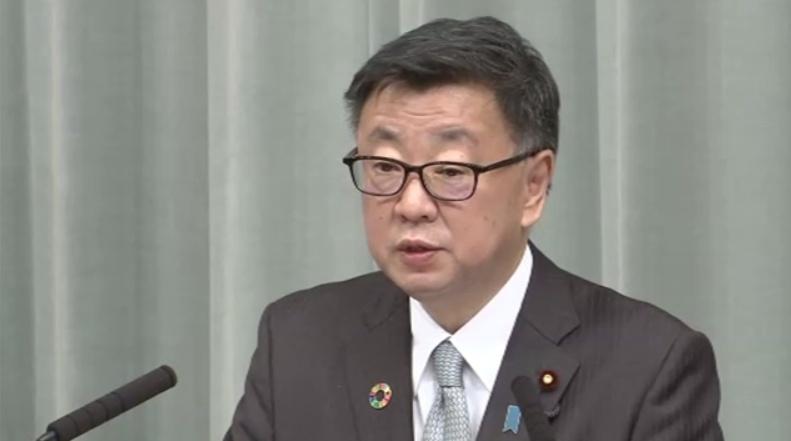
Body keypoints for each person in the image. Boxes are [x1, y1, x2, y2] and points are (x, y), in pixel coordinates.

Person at [224, 16, 724, 441]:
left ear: (534, 185)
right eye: (385, 166)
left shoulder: (647, 367)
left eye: (450, 171)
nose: (411, 204)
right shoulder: (299, 343)